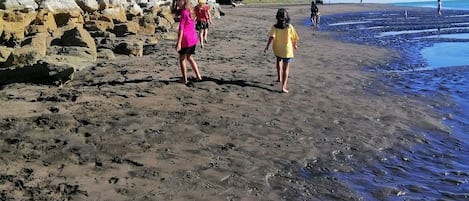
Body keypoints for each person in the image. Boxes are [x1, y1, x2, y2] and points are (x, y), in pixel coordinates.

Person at [264, 8, 299, 93]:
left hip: (277, 49)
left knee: (278, 61)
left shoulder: (274, 27)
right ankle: (283, 87)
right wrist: (294, 45)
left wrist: (267, 46)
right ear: (287, 17)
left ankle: (279, 78)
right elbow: (294, 38)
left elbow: (271, 37)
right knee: (285, 68)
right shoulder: (289, 27)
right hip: (287, 51)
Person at [176, 0, 202, 84]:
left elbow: (181, 29)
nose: (177, 3)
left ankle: (184, 79)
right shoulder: (191, 10)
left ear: (183, 1)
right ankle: (198, 76)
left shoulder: (184, 12)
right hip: (193, 38)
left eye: (178, 1)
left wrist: (179, 42)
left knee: (182, 58)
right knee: (189, 57)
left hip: (186, 40)